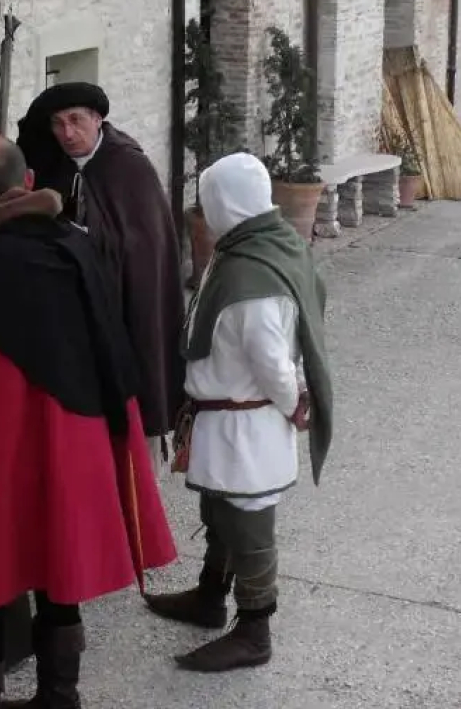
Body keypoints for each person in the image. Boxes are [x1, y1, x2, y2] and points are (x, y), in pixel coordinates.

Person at [0, 135, 177, 709]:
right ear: (28, 182)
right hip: (76, 435)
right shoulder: (75, 246)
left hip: (3, 448)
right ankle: (60, 694)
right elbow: (110, 344)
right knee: (60, 566)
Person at [144, 152, 334, 673]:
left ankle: (254, 631)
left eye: (209, 200)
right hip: (227, 419)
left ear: (227, 202)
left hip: (246, 422)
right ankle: (209, 597)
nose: (205, 210)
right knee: (221, 510)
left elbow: (271, 360)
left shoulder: (253, 277)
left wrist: (294, 402)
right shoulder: (257, 245)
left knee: (250, 524)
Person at [16, 82, 185, 468]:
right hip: (75, 325)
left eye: (76, 121)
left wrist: (83, 242)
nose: (67, 133)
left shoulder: (128, 167)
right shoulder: (53, 166)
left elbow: (143, 254)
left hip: (122, 318)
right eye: (58, 124)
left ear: (97, 119)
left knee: (130, 443)